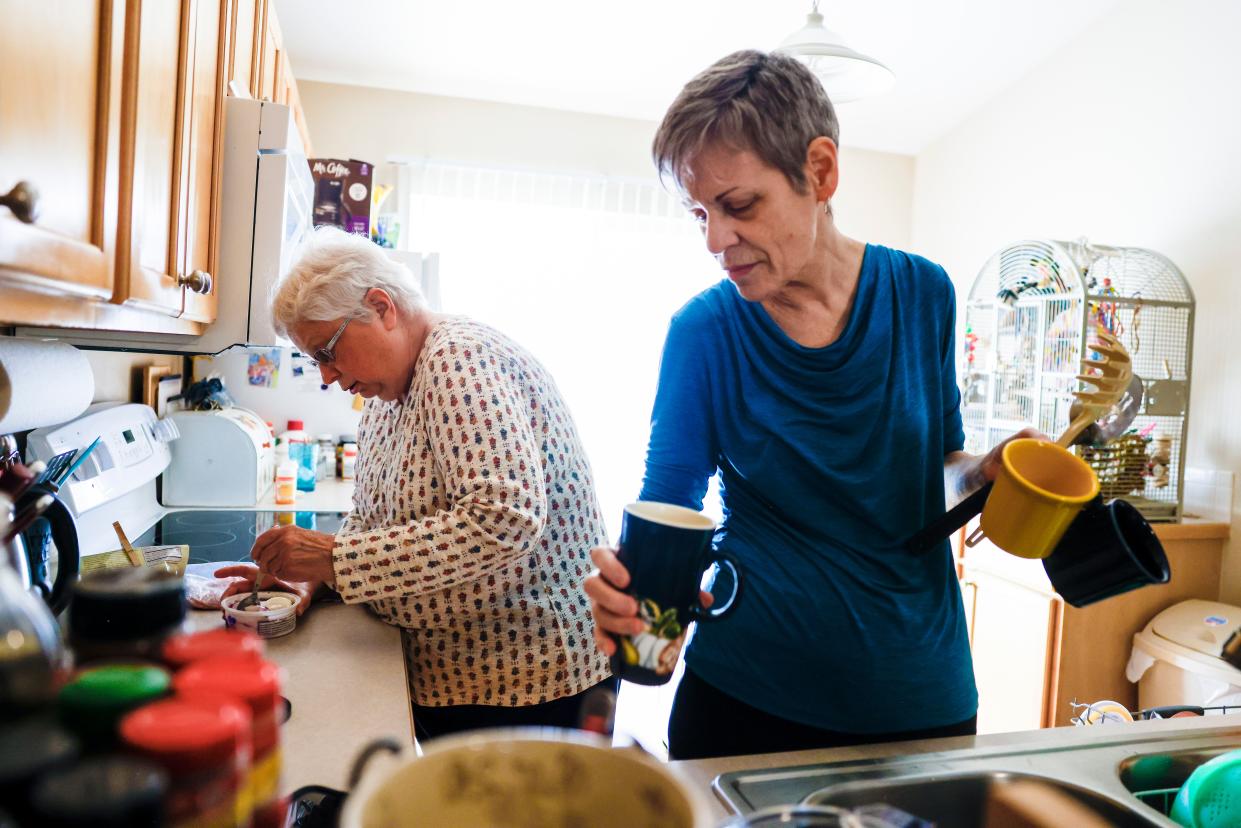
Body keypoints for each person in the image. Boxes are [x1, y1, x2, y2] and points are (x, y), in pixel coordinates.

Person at [584, 50, 1040, 760]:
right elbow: (667, 507)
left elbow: (938, 468)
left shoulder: (923, 293)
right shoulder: (703, 331)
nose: (714, 240)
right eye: (698, 213)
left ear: (820, 172)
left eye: (738, 206)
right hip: (744, 699)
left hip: (918, 695)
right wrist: (642, 624)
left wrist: (985, 473)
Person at [219, 227, 614, 740]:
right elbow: (370, 517)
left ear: (382, 307)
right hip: (454, 676)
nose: (327, 376)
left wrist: (334, 558)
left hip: (526, 680)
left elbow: (504, 519)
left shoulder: (459, 360)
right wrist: (316, 579)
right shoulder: (387, 396)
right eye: (315, 360)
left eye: (327, 351)